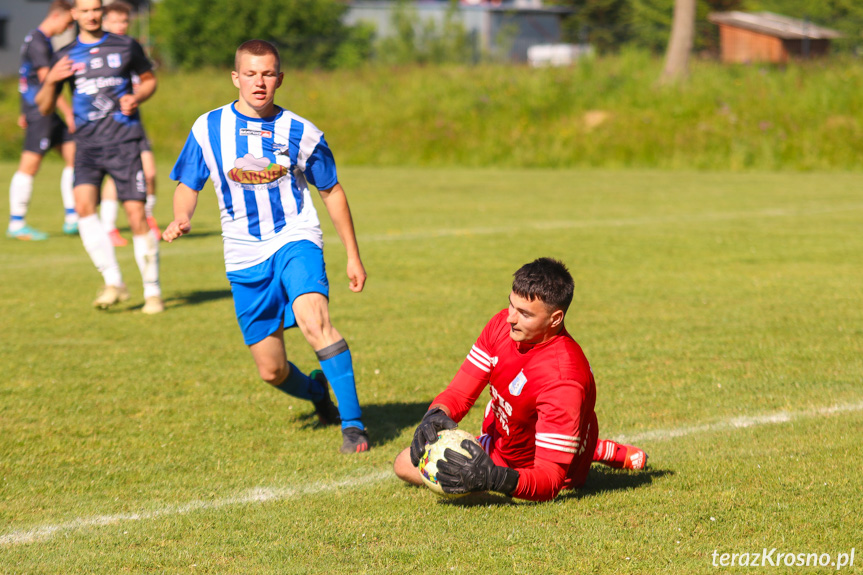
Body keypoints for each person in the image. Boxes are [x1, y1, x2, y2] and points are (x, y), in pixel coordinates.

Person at [163, 40, 370, 454]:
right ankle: (316, 393)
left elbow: (330, 191)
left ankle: (355, 426)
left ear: (280, 78)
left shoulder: (301, 131)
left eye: (269, 73)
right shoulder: (207, 128)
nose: (260, 82)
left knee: (314, 319)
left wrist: (352, 254)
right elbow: (188, 183)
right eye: (251, 73)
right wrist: (181, 216)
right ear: (236, 77)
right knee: (271, 370)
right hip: (242, 254)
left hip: (295, 238)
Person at [393, 258, 648, 501]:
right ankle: (597, 448)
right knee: (404, 463)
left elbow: (550, 480)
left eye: (524, 313)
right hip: (502, 439)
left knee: (459, 480)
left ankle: (593, 449)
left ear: (555, 319)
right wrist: (436, 415)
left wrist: (492, 480)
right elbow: (459, 393)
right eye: (511, 305)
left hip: (535, 467)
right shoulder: (501, 326)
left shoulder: (563, 380)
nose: (510, 318)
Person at [36, 0, 163, 314]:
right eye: (85, 10)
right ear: (74, 14)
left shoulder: (125, 45)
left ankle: (153, 292)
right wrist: (52, 80)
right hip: (88, 146)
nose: (91, 15)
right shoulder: (63, 54)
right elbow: (43, 107)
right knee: (83, 208)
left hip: (124, 142)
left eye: (96, 10)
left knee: (135, 215)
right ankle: (114, 282)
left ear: (101, 14)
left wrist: (137, 95)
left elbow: (149, 80)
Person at [7, 0, 78, 241]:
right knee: (30, 165)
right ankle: (16, 223)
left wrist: (22, 110)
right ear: (57, 16)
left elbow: (24, 79)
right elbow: (48, 82)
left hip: (39, 110)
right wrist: (69, 113)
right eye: (69, 22)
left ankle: (73, 217)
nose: (68, 28)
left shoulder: (36, 39)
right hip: (42, 112)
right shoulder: (39, 42)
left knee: (73, 155)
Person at [98, 0, 160, 247]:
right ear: (103, 23)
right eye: (113, 21)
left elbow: (146, 80)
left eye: (124, 21)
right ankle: (108, 227)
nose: (120, 26)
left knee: (151, 173)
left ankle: (148, 217)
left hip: (132, 122)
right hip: (109, 126)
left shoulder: (131, 49)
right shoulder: (99, 51)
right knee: (114, 178)